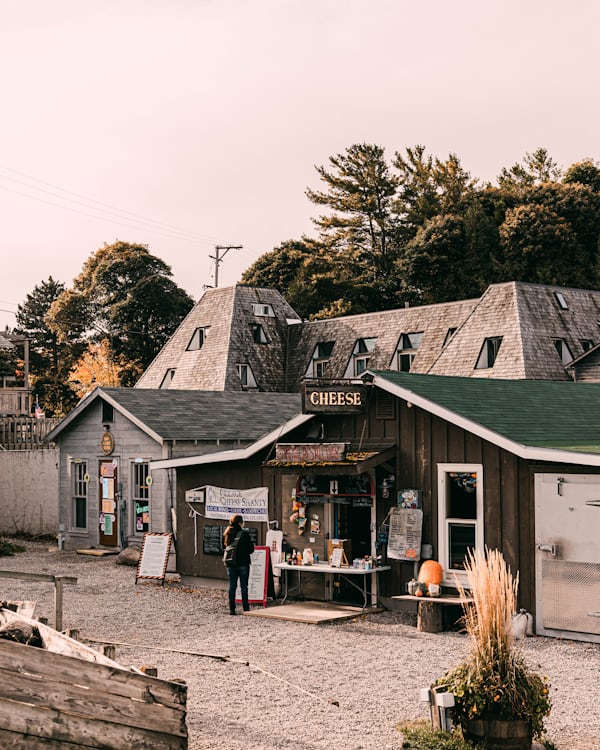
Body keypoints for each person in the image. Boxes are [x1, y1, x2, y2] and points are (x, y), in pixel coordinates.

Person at [223, 514, 254, 615]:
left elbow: (224, 546)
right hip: (243, 563)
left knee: (232, 586)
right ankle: (245, 608)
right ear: (240, 523)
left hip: (231, 564)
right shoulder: (244, 534)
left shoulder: (227, 533)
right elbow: (251, 549)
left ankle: (232, 609)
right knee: (244, 586)